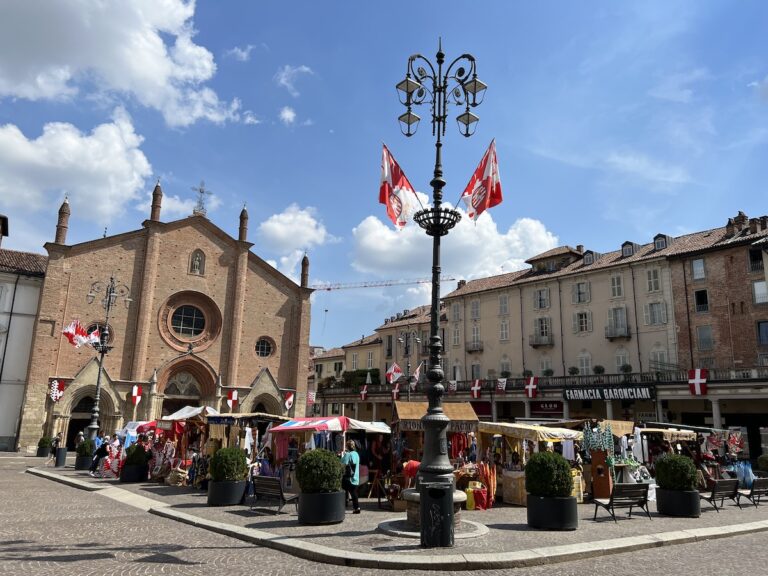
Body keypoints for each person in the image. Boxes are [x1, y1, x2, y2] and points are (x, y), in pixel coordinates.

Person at [341, 440, 361, 514]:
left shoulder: (348, 454)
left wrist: (343, 455)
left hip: (349, 478)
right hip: (356, 477)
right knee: (354, 493)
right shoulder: (356, 454)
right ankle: (357, 508)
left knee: (342, 487)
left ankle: (343, 504)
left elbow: (342, 462)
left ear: (347, 447)